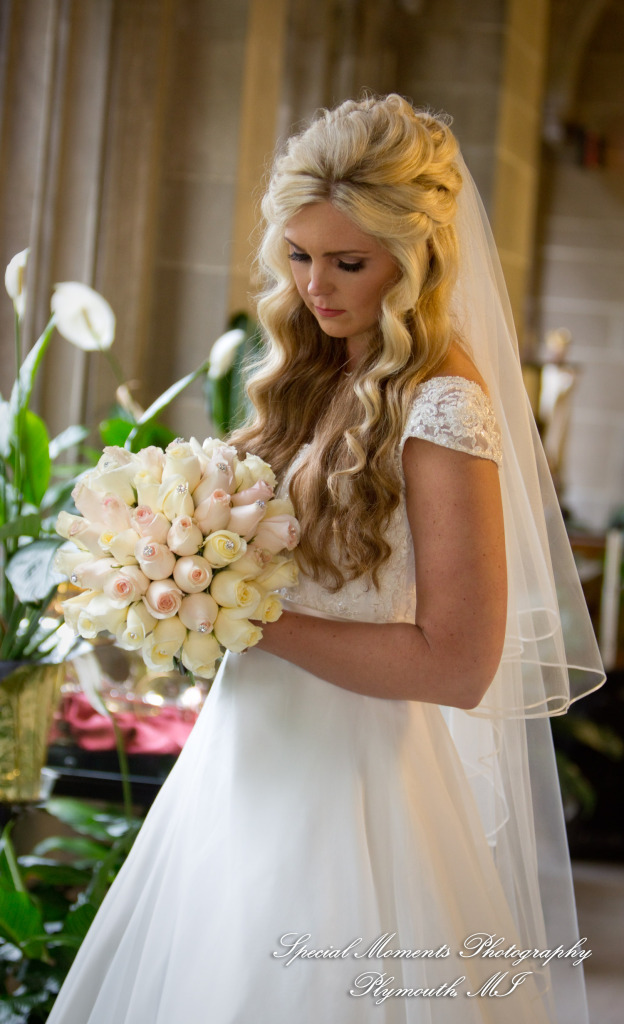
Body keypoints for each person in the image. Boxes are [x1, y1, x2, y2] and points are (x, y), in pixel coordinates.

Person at [46, 95, 604, 1024]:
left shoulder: (442, 406)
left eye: (349, 262)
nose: (316, 286)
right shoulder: (314, 375)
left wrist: (246, 613)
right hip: (241, 765)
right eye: (298, 256)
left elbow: (462, 664)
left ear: (417, 259)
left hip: (352, 791)